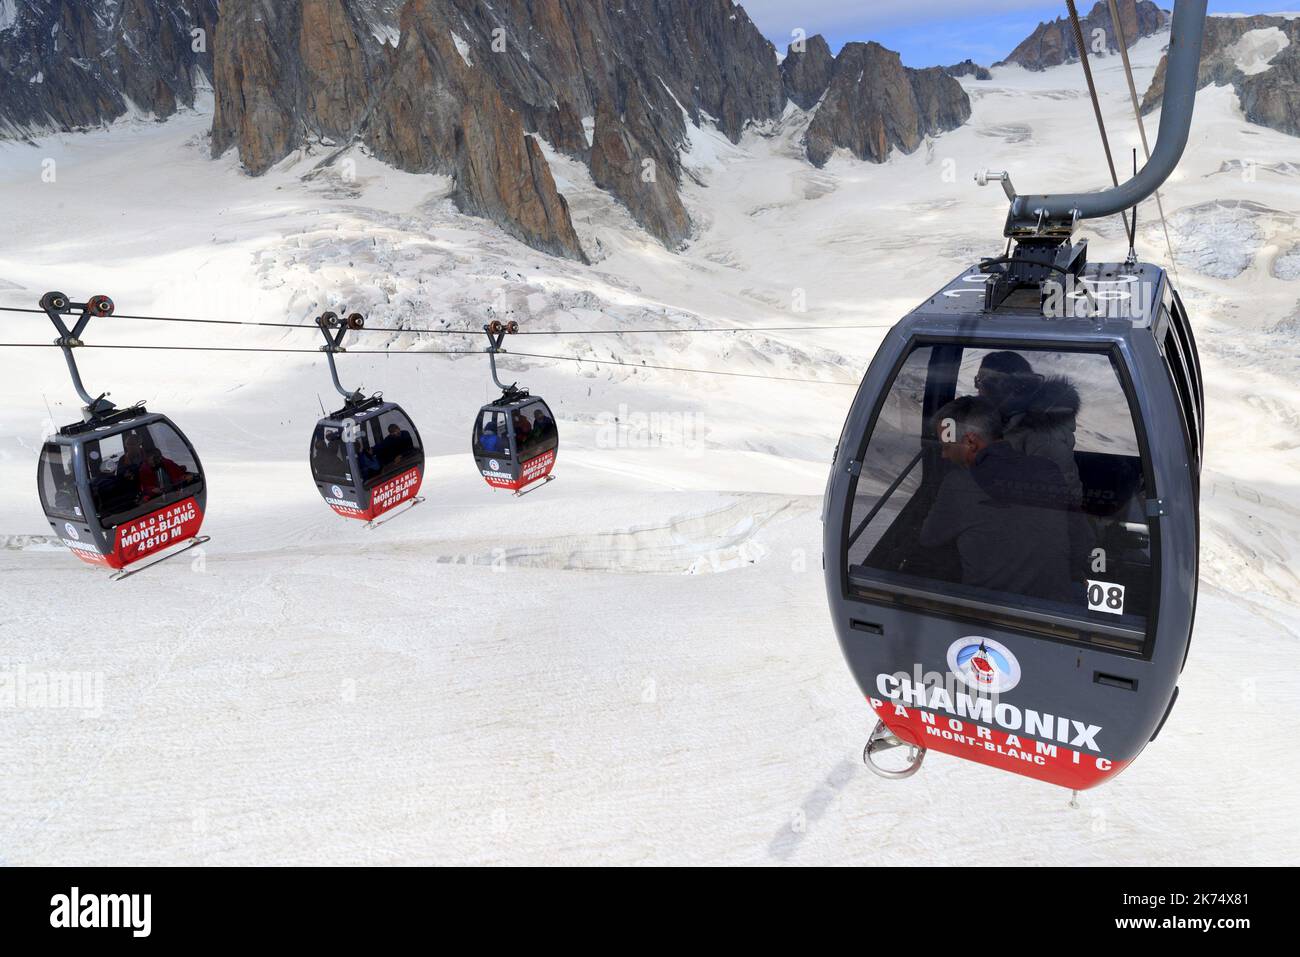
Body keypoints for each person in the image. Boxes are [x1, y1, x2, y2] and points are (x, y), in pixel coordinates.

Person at [919, 395, 1073, 602]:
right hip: (1054, 609)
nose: (944, 456)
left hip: (987, 611)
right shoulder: (1047, 469)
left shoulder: (959, 484)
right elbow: (1080, 539)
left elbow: (929, 538)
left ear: (971, 442)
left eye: (946, 446)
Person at [976, 351, 1083, 507]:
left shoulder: (1044, 436)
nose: (977, 389)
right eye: (977, 381)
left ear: (1007, 387)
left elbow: (1055, 503)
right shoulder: (1001, 421)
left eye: (982, 382)